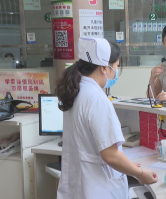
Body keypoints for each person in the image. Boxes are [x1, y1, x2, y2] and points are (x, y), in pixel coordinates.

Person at [56, 38, 158, 199]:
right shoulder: (97, 99)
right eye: (116, 67)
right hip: (97, 189)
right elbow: (110, 155)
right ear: (104, 68)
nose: (115, 73)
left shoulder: (77, 91)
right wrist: (140, 173)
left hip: (80, 186)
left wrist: (128, 166)